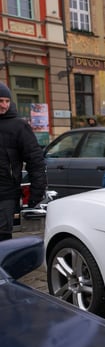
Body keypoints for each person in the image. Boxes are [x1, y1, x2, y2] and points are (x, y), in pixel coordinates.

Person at [0, 82, 46, 241]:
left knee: (2, 240)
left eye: (7, 101)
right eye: (0, 101)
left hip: (5, 195)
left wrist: (36, 195)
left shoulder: (19, 126)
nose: (4, 105)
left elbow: (36, 161)